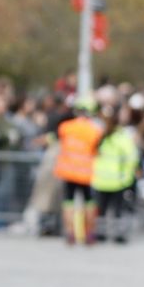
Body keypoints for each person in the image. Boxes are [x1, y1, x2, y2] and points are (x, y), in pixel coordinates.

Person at [53, 97, 105, 246]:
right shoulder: (94, 130)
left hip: (68, 171)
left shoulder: (66, 127)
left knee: (68, 202)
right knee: (88, 203)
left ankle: (70, 233)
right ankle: (89, 233)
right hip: (86, 173)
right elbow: (96, 150)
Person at [91, 102, 141, 244]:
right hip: (110, 180)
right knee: (105, 210)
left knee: (113, 210)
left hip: (115, 181)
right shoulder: (105, 138)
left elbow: (131, 158)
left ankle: (115, 234)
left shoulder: (118, 138)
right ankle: (104, 234)